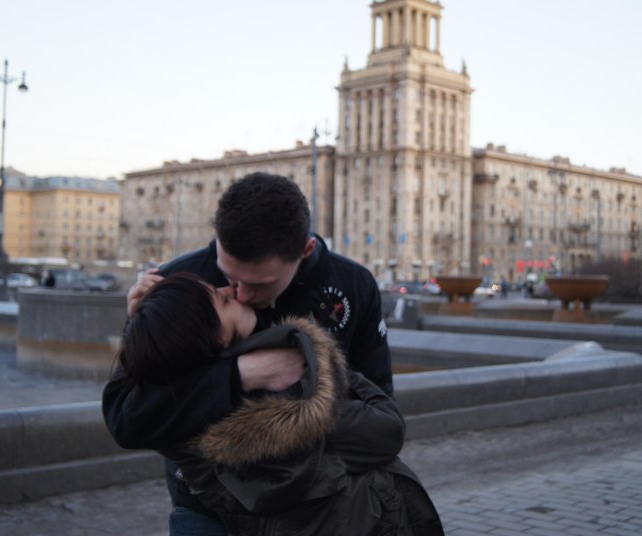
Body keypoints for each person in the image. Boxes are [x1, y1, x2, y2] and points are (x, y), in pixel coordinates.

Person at [102, 173, 394, 534]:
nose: (238, 294)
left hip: (316, 512)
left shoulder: (353, 284)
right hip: (207, 513)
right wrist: (239, 375)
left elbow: (380, 409)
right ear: (218, 241)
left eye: (258, 285)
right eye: (227, 277)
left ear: (304, 252)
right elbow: (126, 418)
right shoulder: (181, 279)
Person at [118, 272, 442, 535]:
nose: (231, 288)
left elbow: (135, 393)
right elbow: (387, 431)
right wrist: (324, 366)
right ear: (216, 339)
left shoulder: (179, 418)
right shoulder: (291, 396)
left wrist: (142, 324)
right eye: (223, 300)